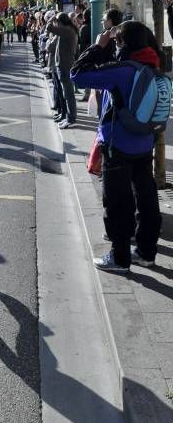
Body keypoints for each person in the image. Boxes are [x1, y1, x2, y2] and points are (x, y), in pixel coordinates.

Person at [71, 20, 163, 273]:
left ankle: (120, 257)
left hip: (118, 144)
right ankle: (146, 252)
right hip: (145, 142)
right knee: (146, 197)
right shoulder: (155, 64)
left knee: (118, 202)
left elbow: (78, 75)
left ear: (124, 43)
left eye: (117, 40)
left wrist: (98, 47)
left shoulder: (123, 70)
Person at [47, 12, 79, 129]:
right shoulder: (69, 29)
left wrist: (51, 18)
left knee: (68, 93)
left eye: (57, 22)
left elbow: (48, 27)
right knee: (67, 93)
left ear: (60, 22)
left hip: (65, 65)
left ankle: (71, 118)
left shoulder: (66, 30)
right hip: (65, 64)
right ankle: (69, 117)